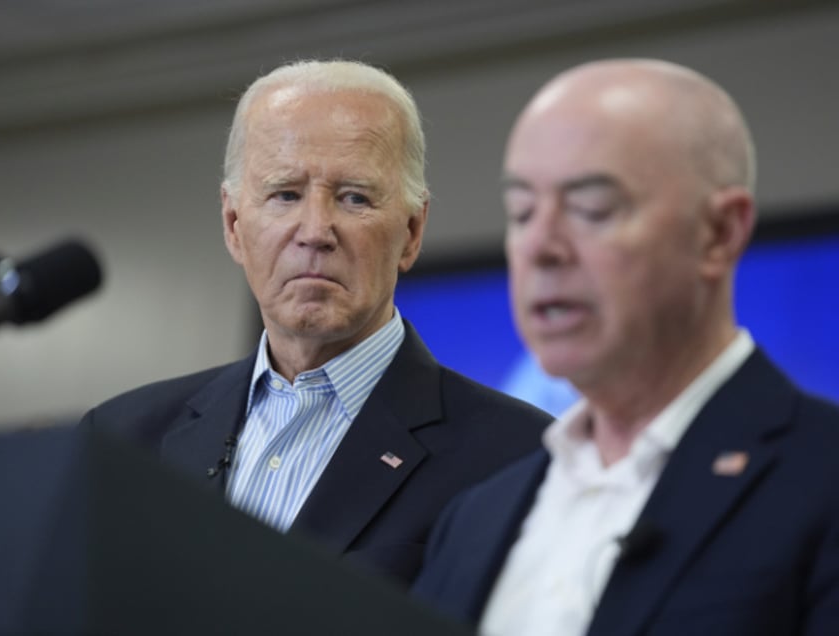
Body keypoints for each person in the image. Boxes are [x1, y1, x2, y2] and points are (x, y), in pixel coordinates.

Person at [79, 59, 552, 586]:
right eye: (285, 194)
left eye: (354, 197)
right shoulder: (118, 439)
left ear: (412, 232)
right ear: (234, 225)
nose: (315, 231)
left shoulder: (521, 457)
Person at [411, 58, 839, 634]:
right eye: (522, 212)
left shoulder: (820, 478)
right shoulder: (475, 516)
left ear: (719, 233)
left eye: (592, 209)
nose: (541, 247)